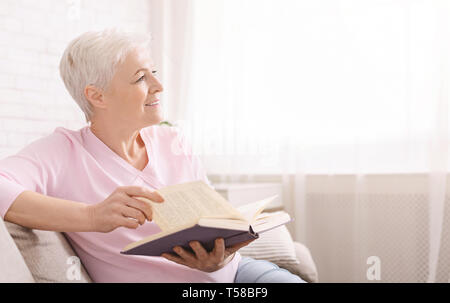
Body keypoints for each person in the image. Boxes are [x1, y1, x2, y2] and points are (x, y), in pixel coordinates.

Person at [0, 28, 304, 283]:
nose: (158, 86)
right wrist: (92, 216)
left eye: (154, 73)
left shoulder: (173, 140)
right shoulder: (62, 152)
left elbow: (214, 216)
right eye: (140, 78)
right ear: (97, 95)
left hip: (237, 275)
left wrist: (223, 254)